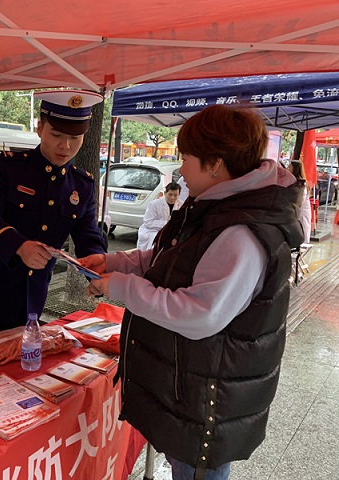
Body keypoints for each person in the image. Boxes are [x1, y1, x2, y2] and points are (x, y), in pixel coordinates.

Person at [79, 105, 303, 480]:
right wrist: (114, 262)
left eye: (185, 158)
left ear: (215, 164)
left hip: (207, 401)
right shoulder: (217, 208)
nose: (180, 169)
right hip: (190, 384)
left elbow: (199, 315)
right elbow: (170, 259)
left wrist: (121, 287)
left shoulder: (241, 232)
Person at [0, 90, 107, 342]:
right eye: (57, 134)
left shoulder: (81, 185)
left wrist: (98, 270)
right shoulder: (7, 167)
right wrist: (19, 246)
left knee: (21, 375)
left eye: (75, 137)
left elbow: (88, 235)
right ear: (40, 128)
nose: (65, 145)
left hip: (31, 300)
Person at [136, 181, 182, 251]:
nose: (172, 198)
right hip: (152, 231)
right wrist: (167, 224)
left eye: (175, 195)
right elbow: (148, 222)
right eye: (170, 194)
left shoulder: (181, 204)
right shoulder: (154, 204)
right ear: (165, 193)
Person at [282, 158, 312, 243]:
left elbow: (300, 200)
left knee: (302, 231)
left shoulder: (302, 184)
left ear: (295, 169)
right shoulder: (292, 181)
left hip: (301, 212)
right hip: (294, 212)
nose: (287, 169)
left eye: (289, 167)